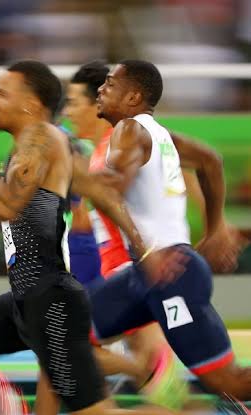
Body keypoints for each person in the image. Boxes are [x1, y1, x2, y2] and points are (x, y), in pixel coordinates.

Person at [0, 60, 185, 415]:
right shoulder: (39, 146)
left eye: (1, 94)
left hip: (51, 304)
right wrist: (144, 249)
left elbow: (7, 205)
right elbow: (103, 194)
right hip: (25, 302)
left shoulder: (42, 138)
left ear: (30, 103)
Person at [85, 60, 251, 401]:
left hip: (171, 275)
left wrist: (69, 174)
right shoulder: (159, 134)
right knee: (66, 332)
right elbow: (210, 160)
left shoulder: (129, 130)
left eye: (110, 84)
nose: (100, 89)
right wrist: (215, 228)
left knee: (229, 383)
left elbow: (114, 186)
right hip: (145, 273)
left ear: (133, 97)